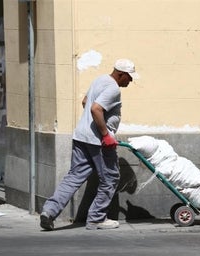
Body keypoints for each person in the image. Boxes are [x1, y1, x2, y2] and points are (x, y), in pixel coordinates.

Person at [40, 58, 139, 231]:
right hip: (98, 141)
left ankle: (49, 211)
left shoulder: (100, 79)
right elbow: (95, 108)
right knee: (110, 178)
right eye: (129, 77)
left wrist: (90, 124)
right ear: (120, 74)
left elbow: (86, 101)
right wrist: (105, 134)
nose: (130, 81)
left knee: (74, 176)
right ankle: (96, 219)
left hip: (81, 136)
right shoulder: (113, 88)